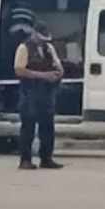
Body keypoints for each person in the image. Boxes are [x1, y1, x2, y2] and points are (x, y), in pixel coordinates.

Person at [15, 22, 65, 170]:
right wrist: (43, 76)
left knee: (47, 128)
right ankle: (25, 160)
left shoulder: (49, 48)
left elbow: (58, 66)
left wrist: (58, 74)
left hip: (47, 93)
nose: (44, 41)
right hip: (29, 93)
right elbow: (19, 70)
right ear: (34, 34)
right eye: (41, 38)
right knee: (28, 128)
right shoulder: (24, 48)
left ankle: (46, 158)